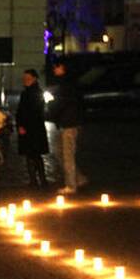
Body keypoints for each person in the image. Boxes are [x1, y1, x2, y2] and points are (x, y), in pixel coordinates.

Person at [48, 59, 86, 194]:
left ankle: (71, 185)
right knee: (60, 151)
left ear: (62, 68)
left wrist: (51, 107)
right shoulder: (66, 83)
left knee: (67, 154)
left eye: (56, 67)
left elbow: (63, 103)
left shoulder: (66, 84)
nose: (54, 69)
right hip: (67, 121)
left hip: (70, 122)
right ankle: (79, 178)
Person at [15, 68, 49, 188]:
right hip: (32, 128)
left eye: (27, 78)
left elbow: (30, 112)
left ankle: (37, 180)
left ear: (34, 79)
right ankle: (37, 180)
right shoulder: (30, 92)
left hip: (32, 129)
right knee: (32, 155)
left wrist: (22, 125)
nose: (25, 80)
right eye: (24, 78)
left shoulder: (32, 93)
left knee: (33, 154)